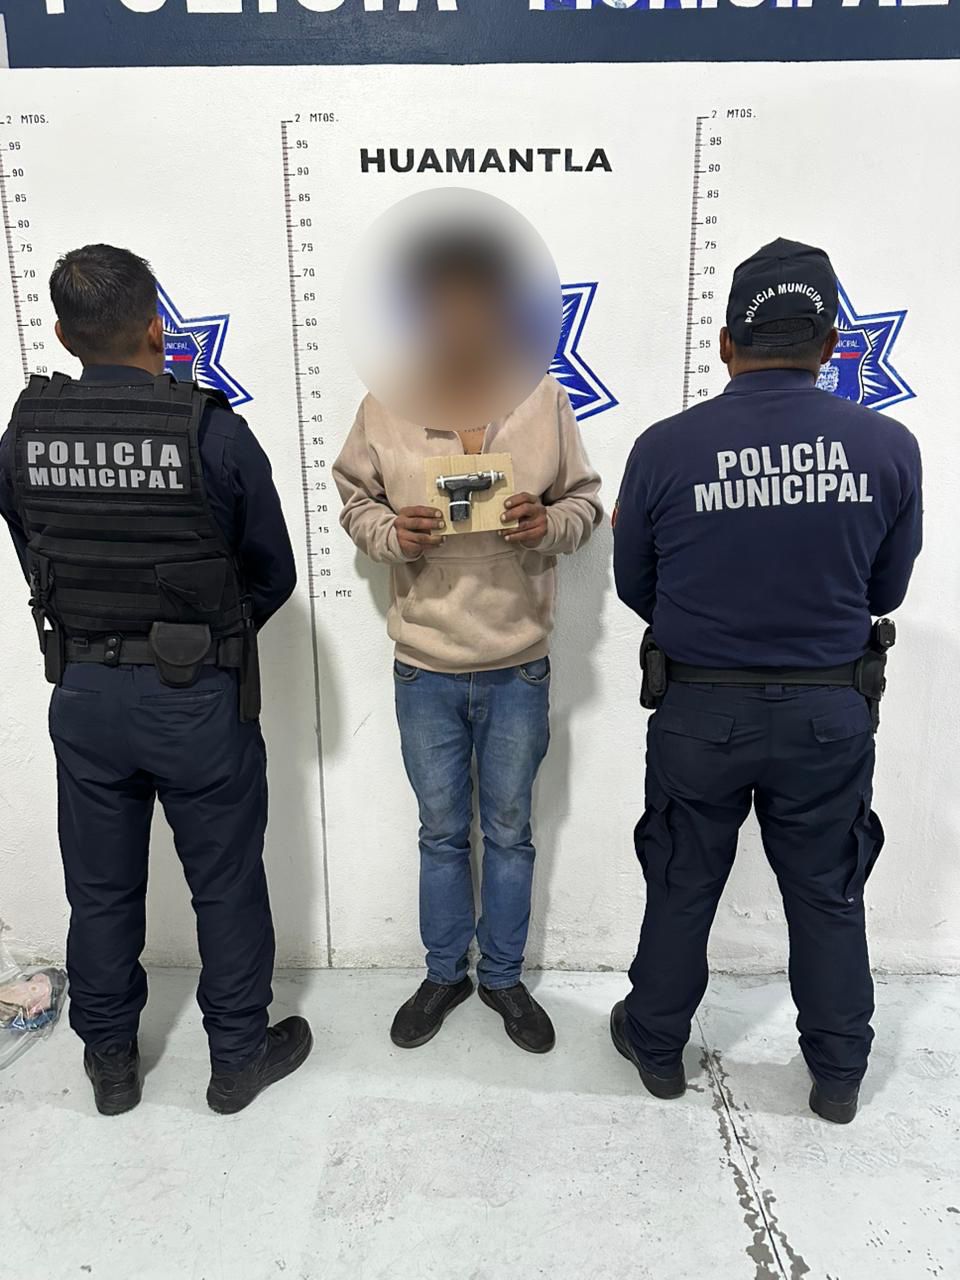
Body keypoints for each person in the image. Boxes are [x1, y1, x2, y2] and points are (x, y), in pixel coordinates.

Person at [610, 238, 922, 1124]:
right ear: (830, 345)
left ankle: (657, 1046)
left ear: (725, 344)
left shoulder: (665, 448)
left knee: (682, 882)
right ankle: (838, 1075)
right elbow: (887, 590)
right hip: (829, 711)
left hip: (699, 708)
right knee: (828, 893)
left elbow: (637, 586)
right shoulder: (888, 446)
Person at [0, 244, 312, 1116]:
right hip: (195, 697)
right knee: (226, 883)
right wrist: (200, 638)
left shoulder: (25, 433)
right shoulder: (209, 431)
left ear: (64, 335)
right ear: (154, 327)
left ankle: (110, 1064)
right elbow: (271, 574)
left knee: (99, 890)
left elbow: (34, 552)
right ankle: (237, 1060)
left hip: (84, 694)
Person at [334, 234, 602, 1055]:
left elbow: (586, 504)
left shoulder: (543, 399)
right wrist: (394, 535)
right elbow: (354, 502)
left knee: (510, 832)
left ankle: (504, 979)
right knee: (442, 833)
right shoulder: (386, 403)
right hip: (425, 667)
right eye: (442, 301)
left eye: (475, 300)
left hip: (519, 664)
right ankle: (445, 972)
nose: (460, 317)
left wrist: (545, 523)